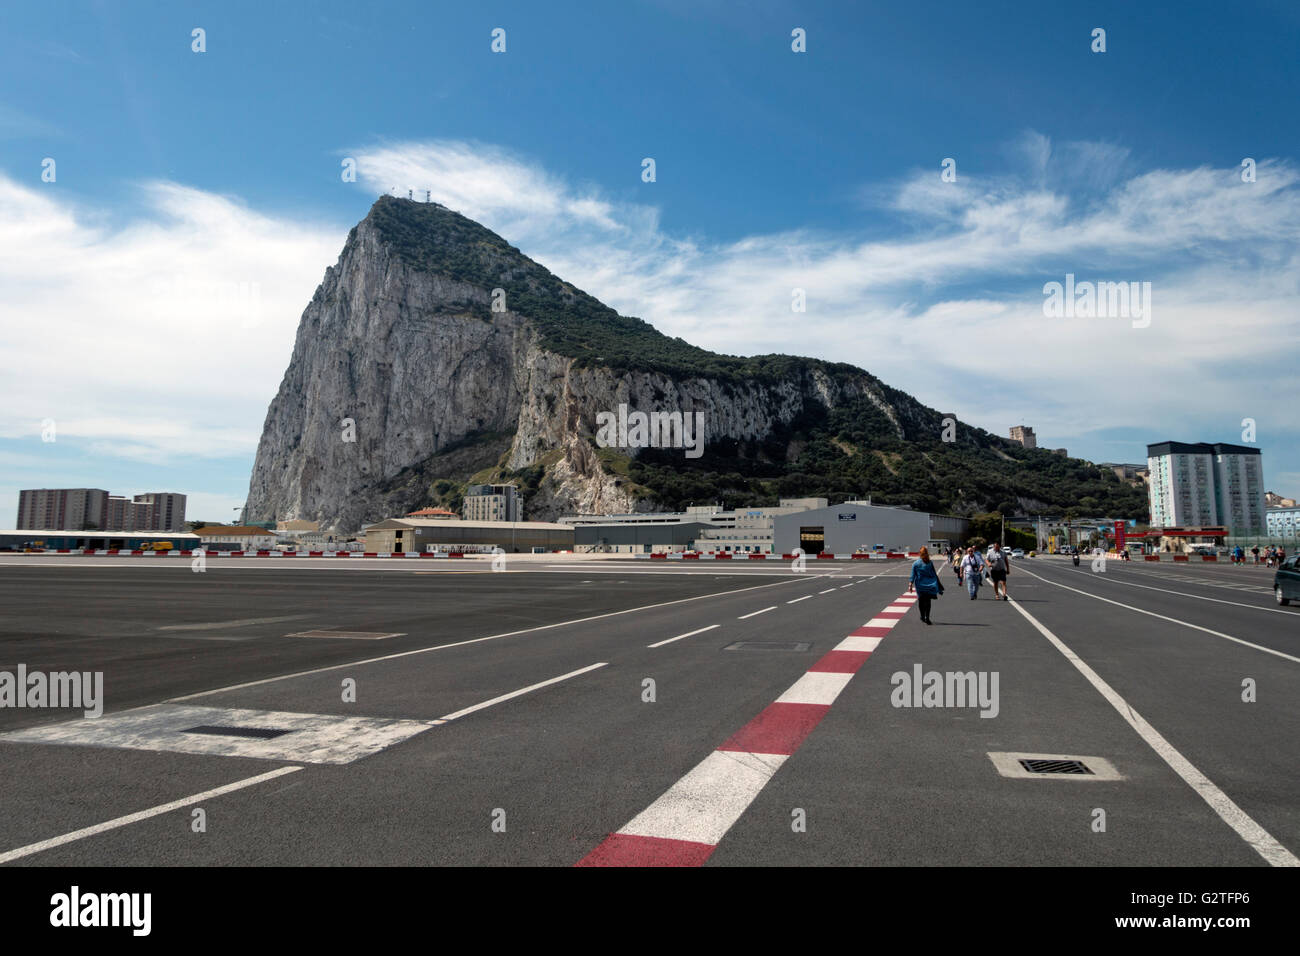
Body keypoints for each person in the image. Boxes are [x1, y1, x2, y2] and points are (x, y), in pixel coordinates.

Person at [907, 546, 943, 624]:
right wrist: (938, 584)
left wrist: (910, 585)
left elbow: (913, 575)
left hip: (920, 585)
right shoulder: (930, 563)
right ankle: (927, 618)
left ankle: (922, 616)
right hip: (930, 584)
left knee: (921, 601)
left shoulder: (915, 563)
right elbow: (934, 574)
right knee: (928, 602)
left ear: (919, 554)